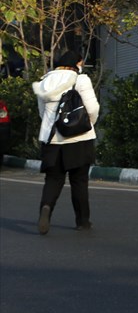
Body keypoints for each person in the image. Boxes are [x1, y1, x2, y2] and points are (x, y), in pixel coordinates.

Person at [32, 50, 100, 234]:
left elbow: (41, 112)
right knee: (79, 180)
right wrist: (86, 125)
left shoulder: (44, 81)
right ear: (77, 63)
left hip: (51, 138)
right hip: (79, 138)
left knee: (53, 179)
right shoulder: (81, 79)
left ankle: (46, 208)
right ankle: (83, 221)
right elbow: (92, 108)